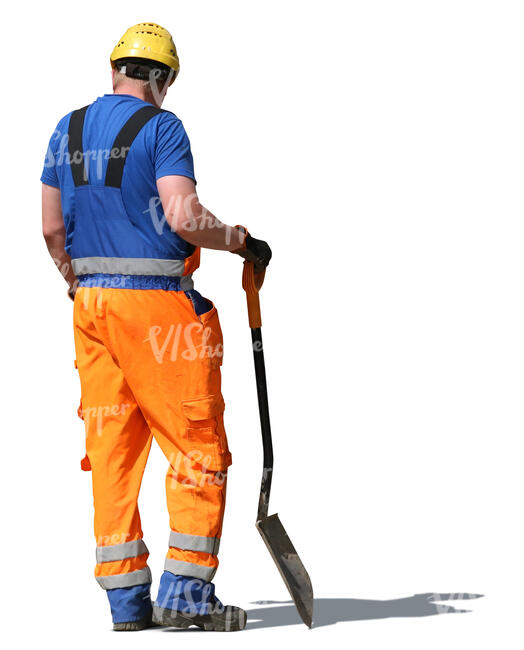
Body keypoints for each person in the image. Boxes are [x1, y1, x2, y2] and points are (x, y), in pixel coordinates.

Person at [41, 22, 271, 632]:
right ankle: (187, 598)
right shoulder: (162, 127)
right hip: (157, 314)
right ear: (162, 78)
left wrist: (76, 281)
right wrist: (239, 241)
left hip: (89, 311)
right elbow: (183, 215)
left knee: (112, 450)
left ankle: (127, 605)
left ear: (115, 68)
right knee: (197, 444)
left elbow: (51, 231)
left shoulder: (66, 130)